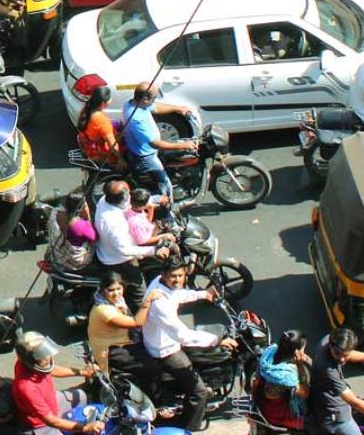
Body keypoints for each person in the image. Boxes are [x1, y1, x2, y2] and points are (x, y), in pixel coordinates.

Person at [142, 255, 237, 431]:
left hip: (164, 337)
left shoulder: (160, 283)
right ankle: (189, 428)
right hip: (165, 349)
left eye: (180, 275)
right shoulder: (160, 303)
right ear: (164, 274)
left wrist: (204, 294)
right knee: (199, 392)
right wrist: (218, 340)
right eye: (173, 276)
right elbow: (183, 336)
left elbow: (179, 295)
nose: (177, 279)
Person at [94, 178, 169, 310]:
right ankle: (140, 324)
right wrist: (154, 250)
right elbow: (125, 250)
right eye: (128, 193)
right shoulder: (113, 222)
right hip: (119, 260)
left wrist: (157, 199)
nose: (131, 194)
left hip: (117, 244)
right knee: (139, 292)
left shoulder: (106, 200)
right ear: (122, 198)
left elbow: (134, 202)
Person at [10, 331, 102, 435]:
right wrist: (84, 428)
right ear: (31, 362)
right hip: (42, 425)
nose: (48, 359)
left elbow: (51, 369)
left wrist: (83, 372)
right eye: (43, 359)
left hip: (52, 401)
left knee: (82, 396)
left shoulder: (29, 363)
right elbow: (51, 420)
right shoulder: (26, 387)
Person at [309, 327, 364, 435]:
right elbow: (354, 402)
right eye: (337, 354)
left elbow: (348, 354)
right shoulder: (328, 370)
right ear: (331, 345)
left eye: (345, 355)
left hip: (327, 397)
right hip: (334, 416)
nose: (342, 359)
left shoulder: (329, 340)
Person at [120, 83, 196, 198]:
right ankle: (168, 208)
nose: (154, 100)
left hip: (145, 148)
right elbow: (155, 144)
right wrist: (184, 145)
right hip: (145, 156)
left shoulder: (132, 102)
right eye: (153, 98)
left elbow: (155, 107)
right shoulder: (136, 118)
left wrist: (178, 108)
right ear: (145, 99)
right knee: (166, 186)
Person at [256, 330, 312, 430]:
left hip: (261, 399)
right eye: (303, 349)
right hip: (276, 414)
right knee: (314, 425)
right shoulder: (286, 376)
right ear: (296, 352)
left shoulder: (270, 351)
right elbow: (305, 392)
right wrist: (300, 365)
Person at [46, 193, 97, 274]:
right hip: (74, 263)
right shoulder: (81, 225)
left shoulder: (54, 213)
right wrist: (88, 218)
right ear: (82, 207)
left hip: (56, 256)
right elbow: (94, 238)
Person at [76, 86, 120, 166]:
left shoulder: (86, 109)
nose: (111, 100)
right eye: (110, 98)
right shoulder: (101, 120)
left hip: (88, 146)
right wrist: (121, 158)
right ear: (103, 103)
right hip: (100, 152)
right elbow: (113, 146)